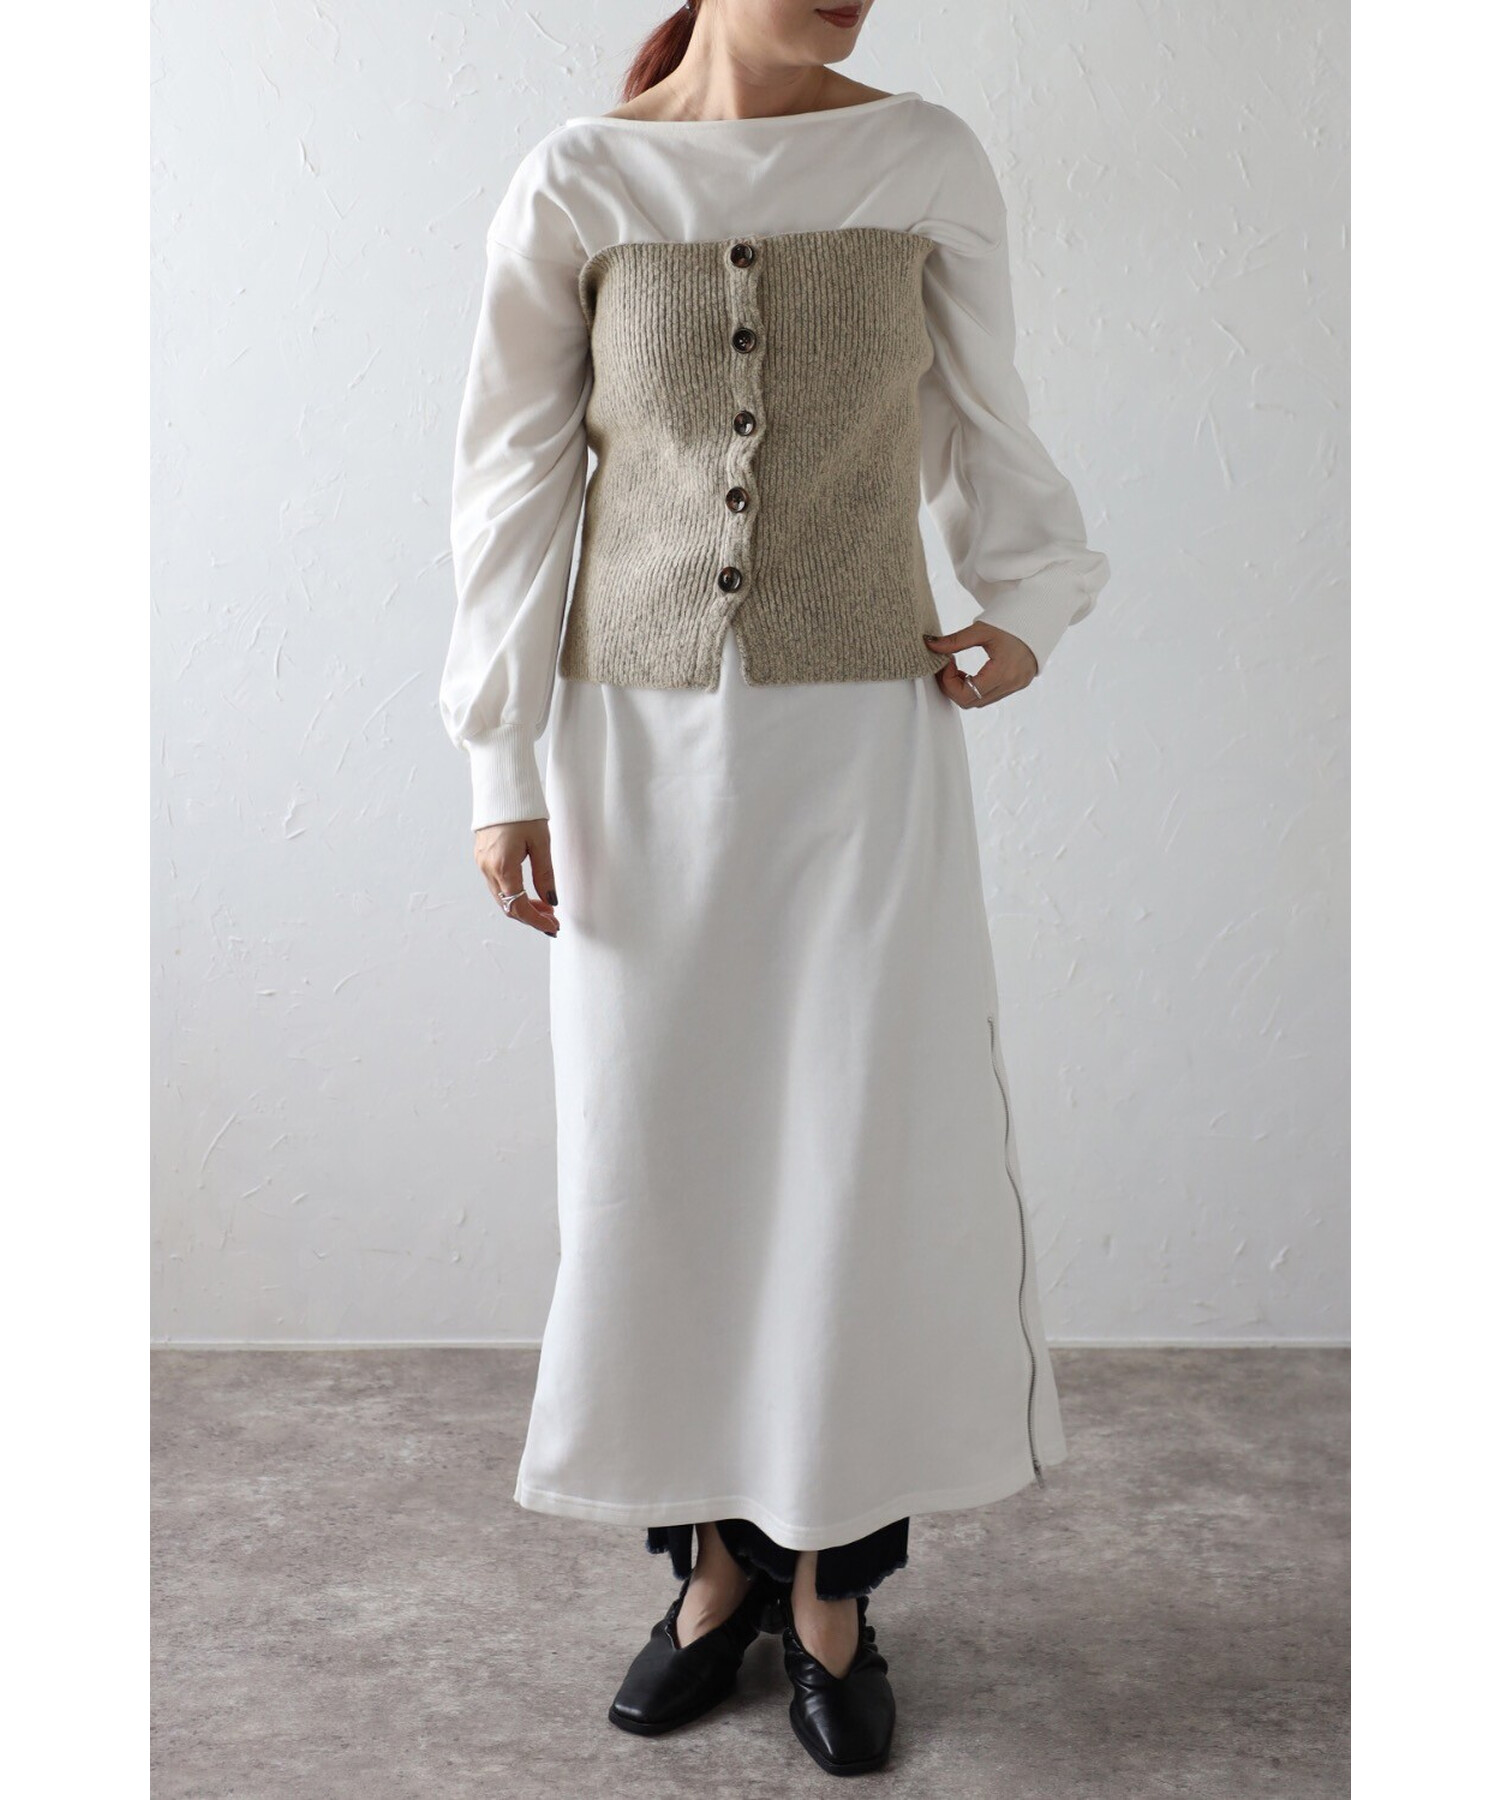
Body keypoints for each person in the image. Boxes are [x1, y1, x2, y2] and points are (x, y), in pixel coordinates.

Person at [439, 0, 1110, 1777]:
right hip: (632, 752)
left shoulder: (922, 158)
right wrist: (500, 761)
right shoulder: (580, 179)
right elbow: (512, 473)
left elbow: (983, 415)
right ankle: (714, 1572)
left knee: (852, 1159)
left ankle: (832, 1589)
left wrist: (1029, 600)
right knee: (665, 1155)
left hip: (859, 744)